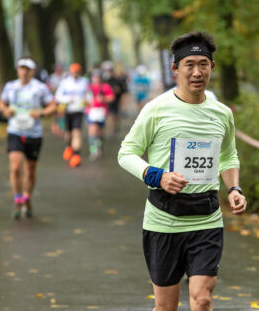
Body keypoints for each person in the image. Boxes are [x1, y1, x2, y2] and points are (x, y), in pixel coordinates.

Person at [118, 31, 247, 311]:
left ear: (212, 67)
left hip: (207, 218)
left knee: (202, 300)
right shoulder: (156, 110)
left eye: (203, 64)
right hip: (164, 219)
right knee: (166, 307)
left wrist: (234, 188)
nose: (197, 72)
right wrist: (158, 176)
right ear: (176, 69)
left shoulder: (222, 113)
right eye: (189, 65)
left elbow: (227, 154)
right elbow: (126, 153)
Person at [0, 57, 56, 219]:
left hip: (34, 133)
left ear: (32, 71)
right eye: (21, 68)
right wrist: (5, 110)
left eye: (27, 69)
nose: (24, 72)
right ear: (18, 70)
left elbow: (53, 105)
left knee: (30, 171)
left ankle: (27, 198)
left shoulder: (40, 88)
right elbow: (2, 103)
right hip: (15, 131)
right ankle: (18, 200)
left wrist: (42, 113)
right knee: (15, 167)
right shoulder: (11, 87)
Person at [55, 63, 88, 168]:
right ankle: (69, 147)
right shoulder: (65, 83)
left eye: (77, 72)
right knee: (68, 134)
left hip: (78, 110)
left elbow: (88, 95)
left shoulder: (84, 82)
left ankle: (76, 156)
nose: (75, 74)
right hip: (67, 110)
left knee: (76, 132)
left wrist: (86, 101)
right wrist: (67, 99)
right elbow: (58, 96)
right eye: (73, 72)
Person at [86, 69, 114, 160]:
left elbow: (111, 97)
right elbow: (84, 97)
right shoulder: (88, 87)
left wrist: (103, 99)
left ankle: (99, 147)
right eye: (94, 77)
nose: (96, 79)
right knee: (92, 130)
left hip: (101, 112)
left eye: (98, 77)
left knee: (100, 132)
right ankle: (93, 151)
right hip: (91, 111)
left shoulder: (105, 86)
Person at [102, 61, 128, 135]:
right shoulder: (104, 80)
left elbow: (122, 90)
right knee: (109, 115)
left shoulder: (117, 80)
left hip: (116, 100)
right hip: (106, 101)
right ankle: (110, 130)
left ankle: (116, 128)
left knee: (115, 115)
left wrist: (117, 91)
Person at [47, 63, 66, 137]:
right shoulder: (52, 77)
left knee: (61, 112)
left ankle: (61, 127)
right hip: (54, 98)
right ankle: (55, 126)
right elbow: (49, 87)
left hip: (62, 99)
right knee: (55, 113)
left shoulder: (64, 76)